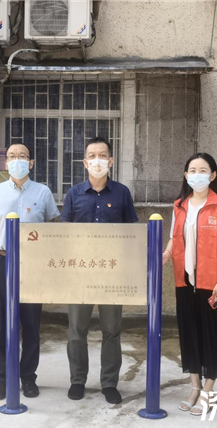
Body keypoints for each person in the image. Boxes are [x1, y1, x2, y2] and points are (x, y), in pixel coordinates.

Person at [162, 153, 217, 415]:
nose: (196, 174)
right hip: (185, 282)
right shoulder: (179, 205)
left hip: (212, 283)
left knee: (212, 337)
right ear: (185, 175)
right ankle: (194, 387)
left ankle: (208, 391)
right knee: (190, 335)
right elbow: (174, 238)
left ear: (212, 175)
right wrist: (165, 254)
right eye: (192, 170)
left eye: (203, 170)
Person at [0, 143, 60, 401]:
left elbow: (52, 229)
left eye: (22, 156)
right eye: (12, 156)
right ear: (5, 163)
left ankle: (28, 377)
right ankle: (2, 379)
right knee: (2, 324)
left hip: (33, 265)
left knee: (31, 324)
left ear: (31, 163)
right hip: (2, 262)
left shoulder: (43, 192)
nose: (17, 160)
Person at [60, 137, 138, 405]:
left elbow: (132, 234)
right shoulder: (73, 194)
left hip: (112, 273)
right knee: (76, 329)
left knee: (112, 330)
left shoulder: (122, 193)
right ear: (84, 162)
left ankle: (109, 383)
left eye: (102, 155)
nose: (97, 160)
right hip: (79, 272)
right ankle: (77, 380)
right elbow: (64, 234)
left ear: (111, 161)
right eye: (92, 156)